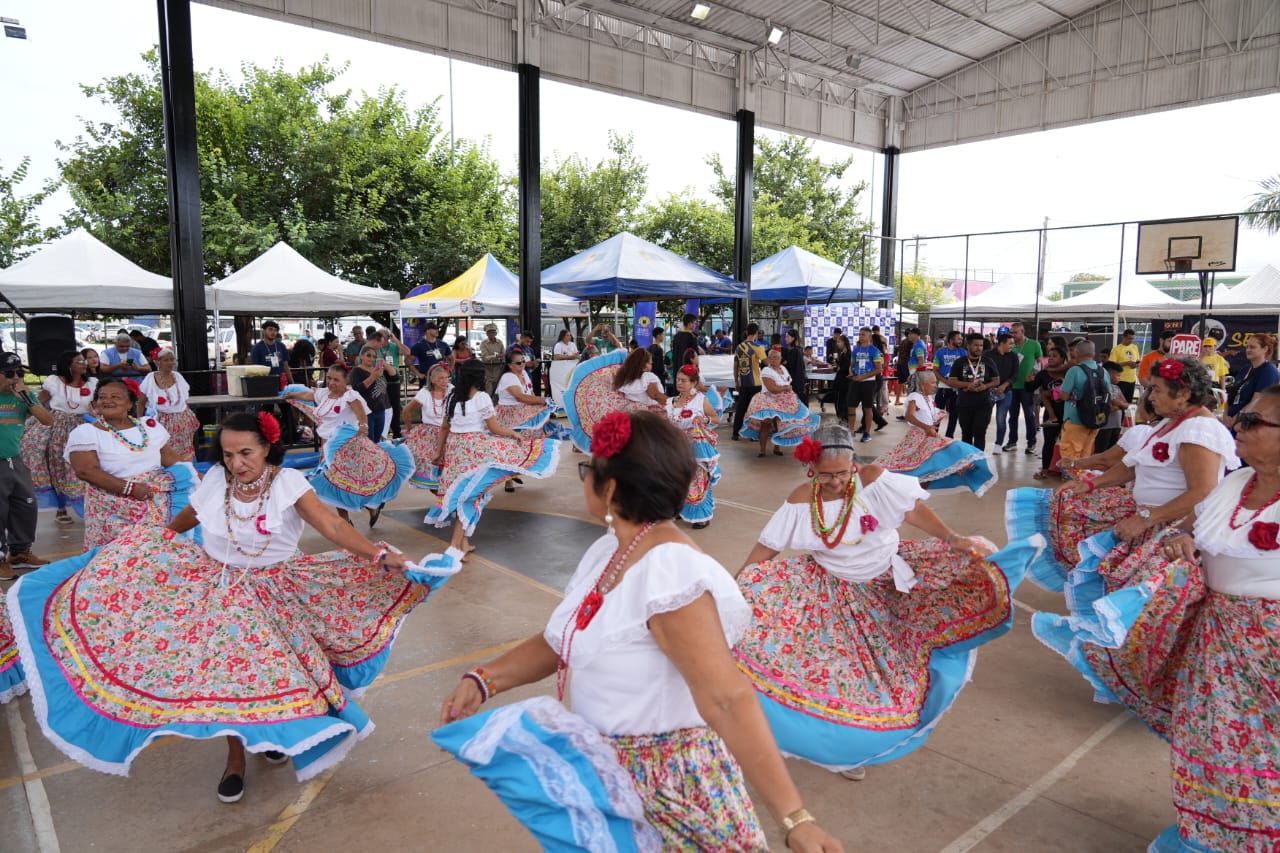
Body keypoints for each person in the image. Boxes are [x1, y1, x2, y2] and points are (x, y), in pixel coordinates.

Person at [433, 411, 844, 853]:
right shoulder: (611, 550)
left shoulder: (670, 572)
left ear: (609, 488)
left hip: (670, 792)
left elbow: (726, 698)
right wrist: (486, 679)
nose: (584, 479)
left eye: (587, 469)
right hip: (611, 778)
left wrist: (795, 818)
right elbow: (567, 637)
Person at [10, 410, 441, 804]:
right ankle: (235, 758)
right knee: (230, 680)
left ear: (268, 448)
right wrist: (150, 544)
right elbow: (186, 521)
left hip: (277, 593)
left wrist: (378, 556)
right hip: (220, 593)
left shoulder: (289, 483)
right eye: (230, 453)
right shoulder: (215, 480)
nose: (237, 462)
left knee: (272, 674)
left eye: (246, 452)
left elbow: (330, 525)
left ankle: (267, 735)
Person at [1032, 387, 1280, 853]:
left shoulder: (1200, 437)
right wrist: (1184, 541)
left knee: (1262, 747)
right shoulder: (1237, 482)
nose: (1238, 426)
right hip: (1218, 636)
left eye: (1254, 421)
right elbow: (1196, 522)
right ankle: (1216, 833)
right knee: (1209, 739)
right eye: (1242, 417)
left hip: (1269, 646)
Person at [733, 423, 1033, 783]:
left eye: (842, 473)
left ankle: (866, 742)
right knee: (840, 673)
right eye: (825, 475)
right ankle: (846, 747)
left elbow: (912, 510)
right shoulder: (801, 500)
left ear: (853, 465)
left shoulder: (874, 480)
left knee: (900, 664)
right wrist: (735, 585)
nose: (834, 482)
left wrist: (951, 537)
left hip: (889, 585)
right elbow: (768, 547)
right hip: (834, 596)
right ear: (811, 469)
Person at [1008, 358, 1236, 593]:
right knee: (1064, 503)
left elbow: (1203, 492)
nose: (1151, 397)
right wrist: (1090, 485)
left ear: (1183, 393)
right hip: (1150, 517)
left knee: (1140, 599)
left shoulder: (1199, 429)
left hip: (1171, 526)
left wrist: (1146, 518)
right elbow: (1134, 466)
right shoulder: (1171, 423)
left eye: (1156, 390)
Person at [428, 361, 560, 557]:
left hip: (455, 451)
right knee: (471, 495)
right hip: (475, 450)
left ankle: (462, 543)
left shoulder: (451, 398)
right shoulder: (481, 398)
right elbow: (494, 428)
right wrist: (513, 434)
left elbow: (445, 429)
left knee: (464, 493)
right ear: (478, 378)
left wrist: (439, 452)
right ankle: (455, 546)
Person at [65, 379, 194, 550]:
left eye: (116, 397)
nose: (108, 401)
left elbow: (171, 458)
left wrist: (202, 478)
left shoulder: (149, 427)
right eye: (102, 397)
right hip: (111, 509)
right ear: (95, 404)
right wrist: (131, 489)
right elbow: (86, 471)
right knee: (117, 556)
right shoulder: (85, 433)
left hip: (154, 503)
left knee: (155, 553)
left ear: (130, 403)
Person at [284, 364, 413, 528]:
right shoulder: (323, 393)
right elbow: (308, 395)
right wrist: (291, 395)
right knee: (334, 484)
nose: (331, 382)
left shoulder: (350, 395)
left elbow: (361, 414)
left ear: (345, 381)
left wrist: (363, 428)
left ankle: (371, 507)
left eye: (336, 380)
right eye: (329, 378)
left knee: (353, 483)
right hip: (328, 447)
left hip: (347, 448)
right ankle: (346, 520)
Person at [875, 371, 996, 496]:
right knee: (948, 452)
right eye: (932, 383)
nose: (935, 385)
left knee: (931, 466)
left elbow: (925, 415)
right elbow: (909, 416)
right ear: (922, 385)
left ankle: (919, 490)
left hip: (928, 435)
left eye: (936, 382)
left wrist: (938, 415)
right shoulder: (915, 396)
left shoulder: (927, 398)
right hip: (918, 436)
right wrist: (926, 427)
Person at [21, 350, 95, 526]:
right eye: (79, 362)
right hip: (58, 428)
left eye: (84, 361)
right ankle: (61, 509)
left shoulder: (93, 383)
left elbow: (94, 406)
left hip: (82, 428)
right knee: (59, 467)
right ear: (69, 366)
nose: (84, 364)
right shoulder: (54, 382)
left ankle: (90, 507)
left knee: (84, 467)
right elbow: (38, 403)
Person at [0, 353, 53, 579]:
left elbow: (47, 420)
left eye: (19, 373)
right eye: (9, 373)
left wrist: (27, 400)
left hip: (15, 459)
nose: (15, 378)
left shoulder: (24, 395)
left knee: (25, 505)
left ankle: (20, 552)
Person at [666, 364, 721, 530]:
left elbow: (715, 418)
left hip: (696, 448)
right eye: (678, 380)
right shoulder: (671, 401)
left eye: (684, 381)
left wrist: (704, 420)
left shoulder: (700, 400)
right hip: (675, 447)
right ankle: (677, 509)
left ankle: (701, 515)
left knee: (698, 480)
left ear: (693, 383)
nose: (679, 383)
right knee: (676, 480)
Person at [741, 348, 819, 457]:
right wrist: (785, 388)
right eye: (771, 357)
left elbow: (787, 382)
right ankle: (762, 450)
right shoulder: (766, 371)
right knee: (766, 424)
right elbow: (772, 388)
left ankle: (777, 448)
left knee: (780, 424)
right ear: (768, 359)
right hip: (768, 400)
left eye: (776, 357)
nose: (774, 360)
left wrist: (788, 389)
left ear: (781, 359)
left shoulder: (783, 368)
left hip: (783, 400)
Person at [138, 349, 200, 462]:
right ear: (158, 362)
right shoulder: (150, 378)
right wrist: (140, 422)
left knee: (185, 449)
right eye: (166, 360)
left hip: (182, 420)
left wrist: (190, 417)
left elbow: (184, 400)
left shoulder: (178, 376)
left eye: (172, 360)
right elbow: (141, 402)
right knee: (164, 449)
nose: (170, 363)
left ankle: (186, 470)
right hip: (161, 421)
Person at [1057, 340, 1109, 462]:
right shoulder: (1103, 371)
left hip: (1075, 419)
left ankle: (1074, 480)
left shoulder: (1074, 370)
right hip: (1096, 419)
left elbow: (1064, 396)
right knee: (1085, 456)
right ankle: (1083, 480)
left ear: (1076, 352)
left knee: (1070, 455)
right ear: (1094, 353)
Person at [946, 333, 999, 450]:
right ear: (968, 346)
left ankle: (979, 462)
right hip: (964, 404)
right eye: (975, 345)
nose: (979, 348)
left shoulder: (988, 361)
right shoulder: (960, 362)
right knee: (966, 434)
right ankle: (968, 462)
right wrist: (967, 385)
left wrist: (985, 386)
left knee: (980, 433)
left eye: (981, 345)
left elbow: (996, 380)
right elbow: (951, 381)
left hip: (984, 404)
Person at [402, 362, 451, 492]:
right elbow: (406, 410)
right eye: (441, 378)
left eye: (446, 377)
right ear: (433, 380)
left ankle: (447, 499)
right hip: (429, 434)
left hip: (449, 433)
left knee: (450, 469)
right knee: (432, 472)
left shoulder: (452, 390)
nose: (445, 381)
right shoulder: (425, 393)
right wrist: (409, 430)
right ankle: (442, 499)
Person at [1028, 346, 1070, 479]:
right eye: (1049, 355)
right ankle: (1045, 469)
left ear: (1063, 359)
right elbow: (1030, 388)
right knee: (1049, 442)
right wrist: (1028, 380)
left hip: (1068, 414)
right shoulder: (1043, 374)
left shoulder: (1069, 373)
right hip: (1051, 415)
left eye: (1055, 355)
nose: (1050, 358)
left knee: (1067, 443)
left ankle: (1066, 472)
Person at [1004, 322, 1043, 454]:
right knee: (1012, 416)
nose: (1013, 335)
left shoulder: (1034, 344)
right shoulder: (1010, 345)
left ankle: (1031, 443)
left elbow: (1039, 360)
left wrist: (1035, 374)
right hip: (1012, 386)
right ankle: (1012, 441)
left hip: (1027, 386)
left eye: (1015, 332)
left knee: (1029, 415)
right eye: (1011, 332)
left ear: (1022, 332)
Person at [1225, 332, 1279, 425]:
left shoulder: (1269, 371)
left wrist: (1236, 418)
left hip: (1247, 423)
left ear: (1265, 349)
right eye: (1247, 347)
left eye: (1252, 347)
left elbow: (1256, 401)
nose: (1248, 350)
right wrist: (1225, 415)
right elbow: (1232, 394)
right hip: (1231, 420)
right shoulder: (1245, 368)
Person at [369, 328, 411, 440]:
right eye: (379, 337)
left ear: (388, 337)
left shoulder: (393, 346)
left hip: (394, 380)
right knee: (381, 406)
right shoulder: (375, 347)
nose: (381, 339)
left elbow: (407, 352)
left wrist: (396, 340)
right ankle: (382, 432)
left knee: (395, 407)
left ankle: (396, 432)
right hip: (379, 379)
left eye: (383, 336)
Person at [349, 345, 394, 441]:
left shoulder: (377, 370)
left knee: (377, 440)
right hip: (367, 412)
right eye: (368, 355)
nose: (371, 358)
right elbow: (357, 389)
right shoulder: (356, 371)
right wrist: (373, 377)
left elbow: (393, 376)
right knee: (368, 440)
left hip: (380, 409)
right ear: (362, 356)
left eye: (374, 356)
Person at [732, 323, 768, 441]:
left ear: (747, 332)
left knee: (741, 409)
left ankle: (735, 433)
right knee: (755, 410)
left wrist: (736, 382)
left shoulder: (739, 347)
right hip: (756, 383)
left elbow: (735, 367)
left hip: (743, 383)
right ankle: (753, 435)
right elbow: (767, 363)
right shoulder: (758, 348)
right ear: (756, 333)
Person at [848, 328, 883, 443]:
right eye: (859, 334)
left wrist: (863, 377)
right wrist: (851, 371)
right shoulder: (856, 350)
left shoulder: (875, 351)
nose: (860, 336)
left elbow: (879, 370)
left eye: (863, 335)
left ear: (869, 337)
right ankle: (851, 431)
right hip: (856, 382)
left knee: (867, 408)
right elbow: (852, 365)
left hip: (869, 383)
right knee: (851, 406)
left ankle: (867, 433)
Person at [932, 331, 966, 439]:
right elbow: (935, 370)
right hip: (942, 388)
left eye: (961, 339)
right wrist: (946, 382)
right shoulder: (940, 352)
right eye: (958, 339)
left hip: (957, 390)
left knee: (954, 415)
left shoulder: (963, 353)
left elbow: (967, 370)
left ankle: (949, 437)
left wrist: (959, 383)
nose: (961, 341)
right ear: (951, 340)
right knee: (937, 414)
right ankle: (933, 435)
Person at [989, 333, 1019, 451]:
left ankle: (998, 444)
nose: (1012, 345)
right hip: (989, 391)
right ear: (1002, 343)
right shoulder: (988, 355)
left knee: (1001, 418)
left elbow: (1015, 375)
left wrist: (1004, 385)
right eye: (1010, 343)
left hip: (1006, 392)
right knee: (984, 417)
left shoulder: (1013, 356)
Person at [1093, 361, 1128, 453]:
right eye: (1118, 375)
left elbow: (1126, 404)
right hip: (1103, 425)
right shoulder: (1101, 387)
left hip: (1116, 425)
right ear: (1108, 374)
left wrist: (1119, 404)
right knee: (1101, 450)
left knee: (1111, 450)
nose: (1120, 378)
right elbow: (1108, 403)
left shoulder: (1117, 388)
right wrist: (1115, 405)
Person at [1107, 328, 1140, 402]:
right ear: (1123, 337)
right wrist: (1126, 363)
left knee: (1128, 403)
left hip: (1132, 380)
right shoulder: (1116, 349)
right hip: (1121, 381)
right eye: (1129, 339)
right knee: (1120, 403)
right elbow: (1112, 365)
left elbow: (1138, 360)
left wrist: (1136, 364)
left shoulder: (1134, 347)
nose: (1131, 341)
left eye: (1132, 339)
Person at [782, 328, 808, 403]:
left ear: (793, 338)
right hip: (798, 380)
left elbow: (789, 366)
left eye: (787, 337)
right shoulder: (798, 349)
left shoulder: (794, 351)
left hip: (794, 380)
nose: (785, 338)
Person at [646, 327, 670, 394]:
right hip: (659, 377)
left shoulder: (650, 348)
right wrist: (666, 375)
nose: (664, 336)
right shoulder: (658, 349)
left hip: (651, 376)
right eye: (663, 334)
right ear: (658, 335)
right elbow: (660, 366)